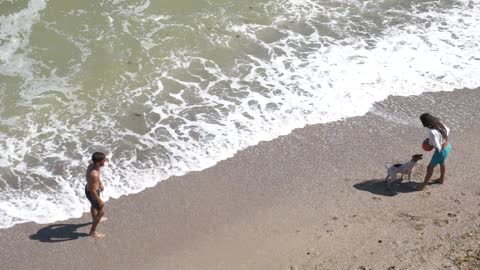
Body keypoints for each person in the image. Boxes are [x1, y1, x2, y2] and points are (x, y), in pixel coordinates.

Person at [417, 113, 451, 191]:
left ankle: (423, 185)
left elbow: (436, 146)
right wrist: (441, 140)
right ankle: (441, 179)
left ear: (424, 123)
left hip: (441, 151)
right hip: (448, 146)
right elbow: (448, 131)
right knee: (442, 163)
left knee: (429, 168)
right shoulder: (439, 123)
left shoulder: (432, 132)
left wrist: (428, 143)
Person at [85, 152, 107, 238]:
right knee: (101, 212)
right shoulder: (93, 174)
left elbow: (96, 179)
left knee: (93, 206)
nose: (105, 161)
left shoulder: (93, 166)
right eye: (103, 160)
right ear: (98, 162)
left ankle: (94, 218)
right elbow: (91, 189)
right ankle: (92, 231)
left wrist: (100, 183)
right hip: (92, 193)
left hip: (93, 190)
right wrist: (99, 200)